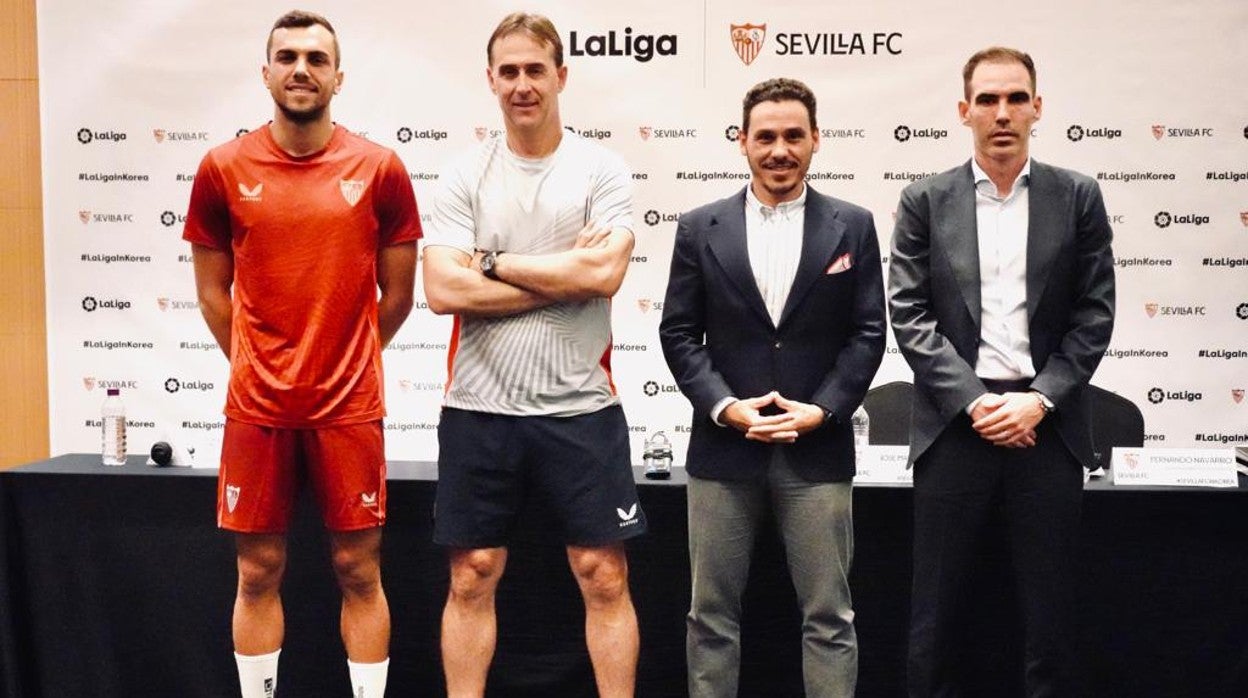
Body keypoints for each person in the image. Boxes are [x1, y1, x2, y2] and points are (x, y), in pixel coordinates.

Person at [183, 10, 421, 697]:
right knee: (257, 570)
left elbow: (398, 295)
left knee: (358, 568)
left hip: (349, 406)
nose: (301, 69)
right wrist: (261, 365)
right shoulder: (223, 168)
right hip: (257, 408)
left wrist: (342, 361)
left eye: (317, 59)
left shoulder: (380, 169)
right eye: (287, 57)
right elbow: (211, 292)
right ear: (265, 74)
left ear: (338, 77)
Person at [421, 12, 645, 698]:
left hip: (581, 408)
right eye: (509, 71)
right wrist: (556, 277)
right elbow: (440, 288)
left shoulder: (600, 170)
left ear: (561, 76)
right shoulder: (464, 175)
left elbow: (602, 277)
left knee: (602, 574)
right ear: (491, 80)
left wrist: (489, 264)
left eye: (535, 70)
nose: (522, 84)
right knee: (473, 572)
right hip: (478, 408)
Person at [888, 47, 1116, 696]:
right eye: (987, 100)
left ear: (1037, 108)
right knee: (936, 618)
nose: (1002, 113)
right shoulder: (924, 201)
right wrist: (975, 403)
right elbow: (910, 316)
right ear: (964, 112)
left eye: (1016, 98)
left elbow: (1093, 317)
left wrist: (1038, 401)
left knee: (1051, 621)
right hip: (955, 430)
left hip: (1047, 431)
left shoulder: (1077, 197)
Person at [659, 77, 886, 697]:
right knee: (710, 620)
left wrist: (823, 410)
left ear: (816, 140)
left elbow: (868, 335)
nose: (779, 149)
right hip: (723, 454)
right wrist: (726, 408)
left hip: (816, 455)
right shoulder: (699, 226)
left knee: (830, 619)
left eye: (793, 136)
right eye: (765, 136)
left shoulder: (854, 226)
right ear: (742, 142)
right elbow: (679, 334)